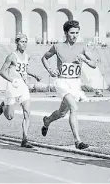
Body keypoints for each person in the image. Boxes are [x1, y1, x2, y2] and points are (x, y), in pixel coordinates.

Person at [41, 20, 97, 150]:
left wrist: (85, 60)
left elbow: (94, 64)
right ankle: (78, 141)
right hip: (62, 81)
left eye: (77, 33)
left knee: (61, 113)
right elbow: (44, 58)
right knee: (74, 108)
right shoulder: (57, 46)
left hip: (75, 83)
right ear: (66, 33)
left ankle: (47, 121)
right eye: (72, 33)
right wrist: (50, 70)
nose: (75, 35)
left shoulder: (82, 47)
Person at [0, 33, 41, 148]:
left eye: (26, 42)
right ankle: (3, 106)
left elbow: (24, 69)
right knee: (10, 116)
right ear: (17, 42)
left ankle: (25, 139)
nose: (24, 44)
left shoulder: (27, 56)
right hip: (13, 86)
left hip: (23, 86)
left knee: (27, 112)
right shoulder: (12, 56)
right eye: (22, 42)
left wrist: (35, 75)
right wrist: (11, 80)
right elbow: (1, 72)